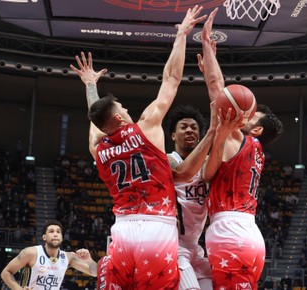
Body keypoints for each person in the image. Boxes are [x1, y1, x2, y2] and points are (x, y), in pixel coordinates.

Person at [70, 6, 208, 289]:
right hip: (156, 227)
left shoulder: (100, 149)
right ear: (120, 117)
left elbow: (97, 119)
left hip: (122, 231)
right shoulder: (146, 127)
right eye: (123, 107)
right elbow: (171, 80)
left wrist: (90, 86)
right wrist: (181, 35)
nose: (127, 109)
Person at [199, 8, 283, 289]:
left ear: (256, 129)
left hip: (230, 231)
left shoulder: (239, 137)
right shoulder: (255, 149)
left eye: (251, 115)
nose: (244, 114)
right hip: (248, 232)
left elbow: (216, 88)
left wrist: (206, 45)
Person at [166, 104, 216, 290]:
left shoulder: (206, 165)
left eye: (194, 128)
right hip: (174, 245)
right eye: (184, 127)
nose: (189, 130)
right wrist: (212, 133)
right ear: (173, 136)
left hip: (195, 247)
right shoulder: (168, 160)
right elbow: (183, 171)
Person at [1, 220, 97, 289]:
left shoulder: (68, 257)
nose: (55, 234)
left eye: (58, 232)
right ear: (44, 237)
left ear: (62, 238)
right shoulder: (31, 253)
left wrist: (89, 260)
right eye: (51, 231)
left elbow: (95, 273)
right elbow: (6, 272)